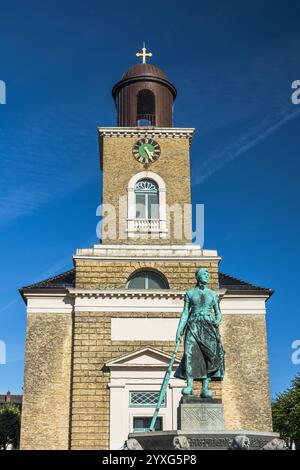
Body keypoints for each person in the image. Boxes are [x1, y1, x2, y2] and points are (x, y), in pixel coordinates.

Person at [174, 267, 225, 397]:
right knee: (189, 352)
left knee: (207, 355)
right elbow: (185, 313)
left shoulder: (213, 295)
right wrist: (179, 330)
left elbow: (218, 313)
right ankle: (189, 385)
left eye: (208, 274)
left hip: (208, 325)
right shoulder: (190, 294)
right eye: (204, 274)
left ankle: (205, 387)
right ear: (197, 277)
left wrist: (217, 320)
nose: (207, 276)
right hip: (193, 324)